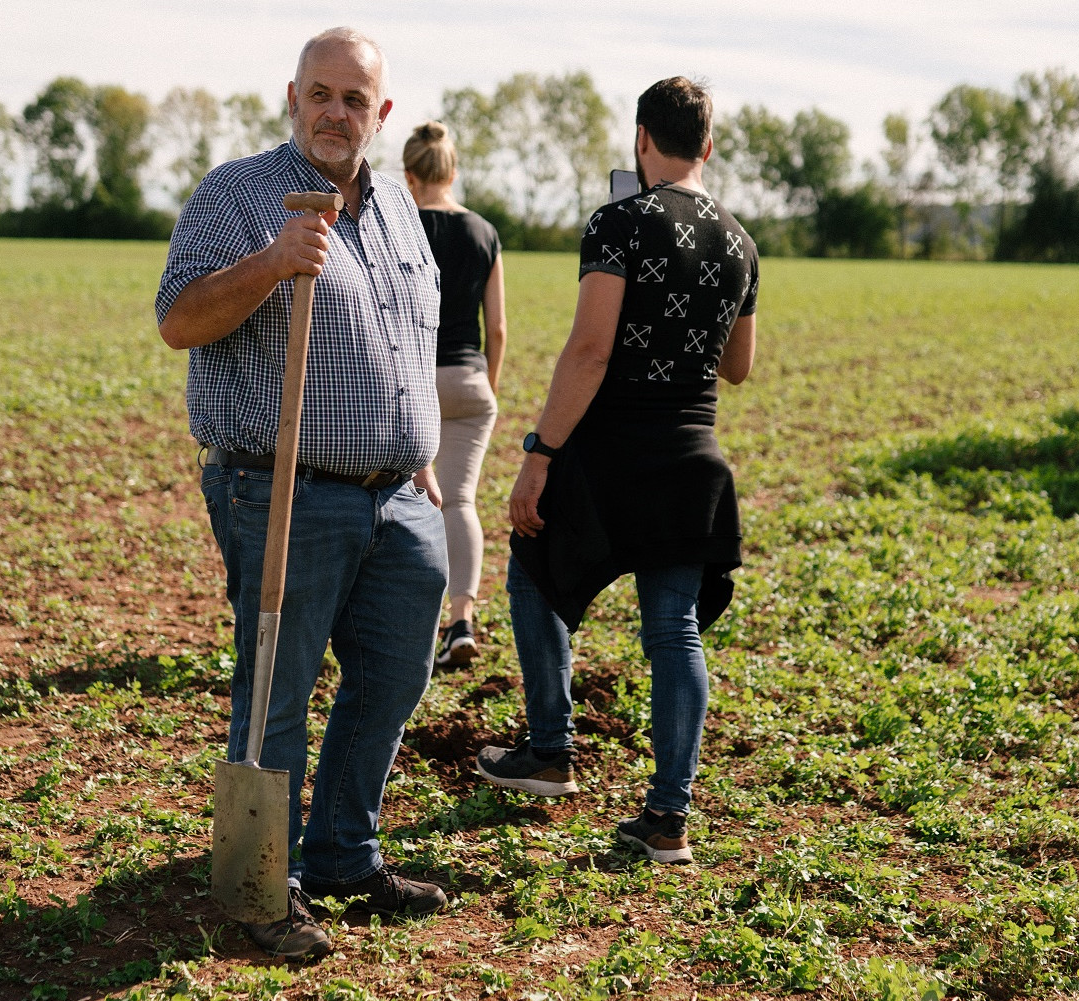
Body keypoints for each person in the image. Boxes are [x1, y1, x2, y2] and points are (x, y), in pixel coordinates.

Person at [156, 27, 450, 960]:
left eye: (354, 100)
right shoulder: (240, 194)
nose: (335, 113)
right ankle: (260, 887)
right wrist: (274, 261)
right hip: (283, 489)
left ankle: (342, 854)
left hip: (399, 496)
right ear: (292, 96)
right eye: (320, 94)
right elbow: (178, 320)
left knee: (394, 675)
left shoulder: (402, 207)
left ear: (382, 115)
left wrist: (423, 451)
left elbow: (413, 338)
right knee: (277, 687)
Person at [475, 77, 759, 866]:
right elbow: (738, 366)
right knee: (672, 631)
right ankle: (668, 818)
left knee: (532, 567)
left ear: (641, 139)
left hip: (609, 458)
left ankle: (550, 749)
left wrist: (539, 453)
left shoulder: (619, 222)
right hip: (691, 461)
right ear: (706, 146)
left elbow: (591, 349)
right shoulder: (741, 241)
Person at [401, 121, 507, 668]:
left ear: (409, 174)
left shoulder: (397, 228)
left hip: (409, 384)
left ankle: (404, 629)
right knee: (460, 502)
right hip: (469, 381)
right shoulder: (484, 232)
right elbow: (499, 331)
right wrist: (481, 391)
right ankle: (461, 620)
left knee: (402, 507)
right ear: (453, 170)